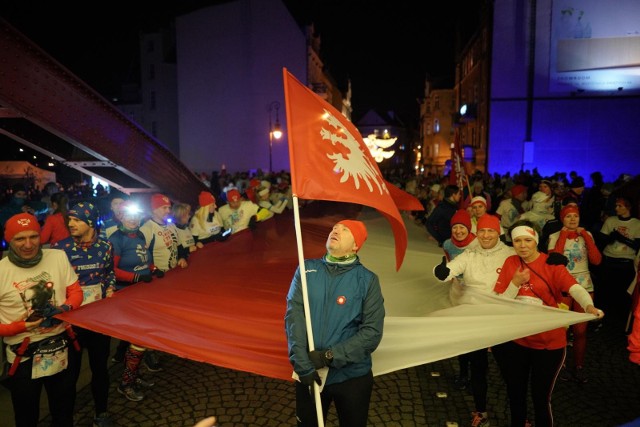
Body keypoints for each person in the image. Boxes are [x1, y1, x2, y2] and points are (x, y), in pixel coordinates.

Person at [492, 219, 604, 427]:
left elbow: (575, 288)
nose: (522, 245)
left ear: (535, 240)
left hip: (548, 345)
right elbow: (499, 301)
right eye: (517, 241)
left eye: (527, 240)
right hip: (517, 341)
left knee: (540, 399)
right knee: (515, 395)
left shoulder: (551, 264)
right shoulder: (510, 263)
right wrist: (515, 283)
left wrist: (588, 306)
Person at [285, 220, 385, 427]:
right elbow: (293, 317)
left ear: (356, 245)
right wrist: (302, 364)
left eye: (345, 229)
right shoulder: (306, 270)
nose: (336, 230)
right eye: (334, 228)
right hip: (309, 372)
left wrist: (328, 356)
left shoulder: (367, 280)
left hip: (352, 378)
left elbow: (372, 332)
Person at [0, 213, 83, 427]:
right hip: (23, 356)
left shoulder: (57, 256)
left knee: (64, 412)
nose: (28, 244)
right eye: (20, 239)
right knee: (26, 418)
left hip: (62, 344)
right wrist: (19, 326)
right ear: (9, 240)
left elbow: (75, 291)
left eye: (33, 237)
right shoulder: (1, 271)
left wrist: (64, 308)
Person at [433, 214, 515, 427]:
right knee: (478, 369)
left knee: (511, 372)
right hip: (475, 321)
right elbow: (452, 269)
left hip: (502, 322)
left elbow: (534, 263)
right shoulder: (469, 254)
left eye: (491, 231)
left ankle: (520, 415)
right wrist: (442, 272)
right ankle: (481, 412)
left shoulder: (510, 254)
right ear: (476, 233)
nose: (486, 235)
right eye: (482, 231)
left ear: (498, 232)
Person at [51, 202, 117, 427]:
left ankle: (101, 413)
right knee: (69, 375)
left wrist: (110, 289)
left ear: (90, 222)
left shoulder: (106, 246)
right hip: (73, 322)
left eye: (77, 220)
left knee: (100, 368)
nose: (71, 224)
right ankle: (65, 420)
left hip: (99, 320)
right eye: (69, 219)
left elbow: (109, 273)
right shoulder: (59, 248)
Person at [108, 201, 163, 401]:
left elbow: (144, 260)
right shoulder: (116, 239)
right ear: (120, 217)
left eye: (136, 216)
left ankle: (133, 376)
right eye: (128, 216)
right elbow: (112, 270)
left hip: (142, 292)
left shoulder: (139, 235)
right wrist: (136, 278)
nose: (133, 219)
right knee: (138, 341)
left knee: (140, 340)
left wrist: (155, 270)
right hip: (127, 295)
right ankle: (126, 383)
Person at [548, 204, 602, 383]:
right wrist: (563, 235)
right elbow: (554, 261)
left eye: (575, 216)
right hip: (563, 287)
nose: (572, 219)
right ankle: (559, 366)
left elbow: (596, 260)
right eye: (568, 216)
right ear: (562, 218)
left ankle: (579, 366)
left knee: (580, 331)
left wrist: (585, 235)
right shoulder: (554, 236)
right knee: (560, 330)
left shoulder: (587, 235)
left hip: (585, 286)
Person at [595, 196, 640, 331]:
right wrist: (610, 238)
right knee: (605, 292)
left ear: (628, 207)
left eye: (620, 206)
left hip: (626, 262)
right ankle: (602, 320)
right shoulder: (611, 220)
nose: (616, 208)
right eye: (616, 206)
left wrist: (621, 238)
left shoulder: (636, 224)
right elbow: (601, 242)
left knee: (622, 294)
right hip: (609, 260)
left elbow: (637, 246)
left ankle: (620, 324)